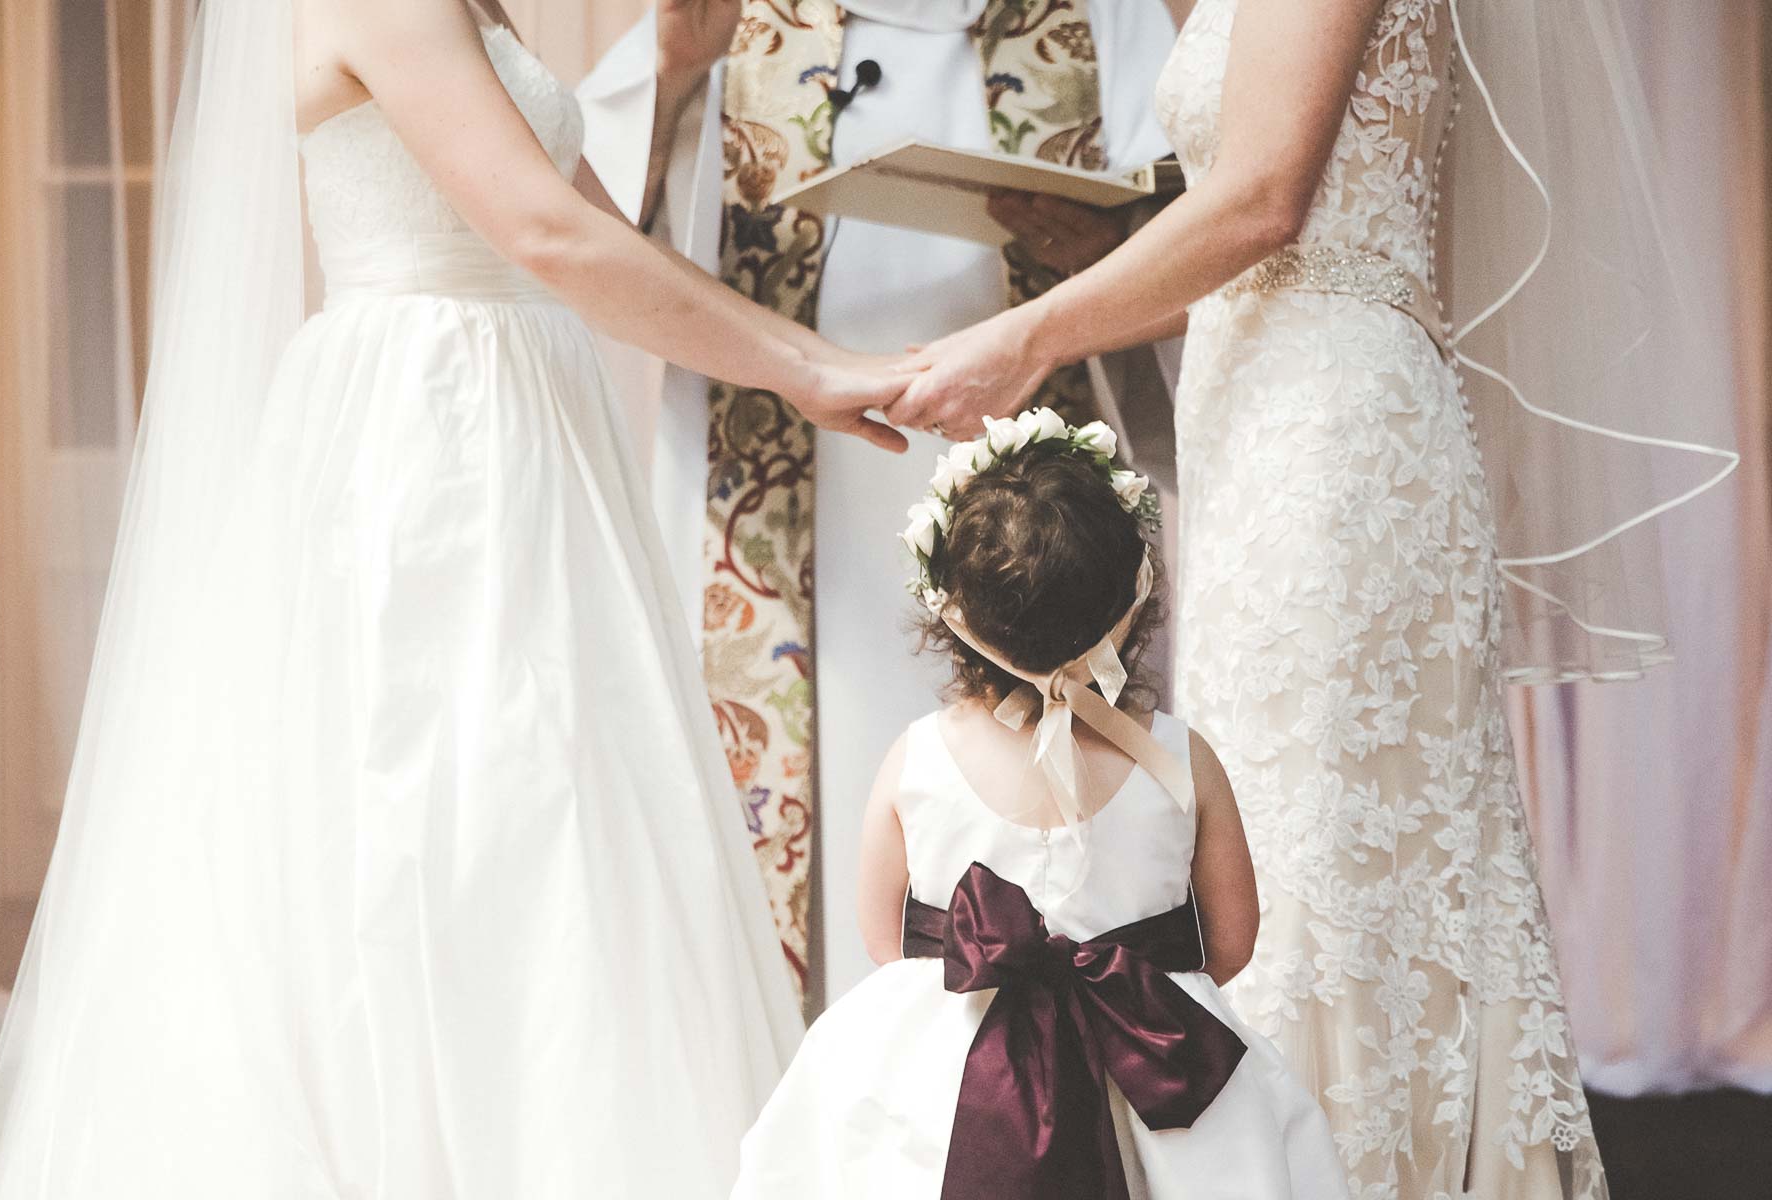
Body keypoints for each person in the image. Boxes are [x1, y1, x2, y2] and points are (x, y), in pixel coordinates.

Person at [0, 0, 908, 1194]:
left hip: (529, 424)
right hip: (429, 437)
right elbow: (547, 236)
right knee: (445, 810)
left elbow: (605, 233)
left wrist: (797, 353)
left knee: (565, 808)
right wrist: (812, 371)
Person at [878, 0, 1743, 1194]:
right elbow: (1260, 223)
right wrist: (1091, 258)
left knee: (1324, 852)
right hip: (1258, 413)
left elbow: (1266, 201)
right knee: (1272, 834)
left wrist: (1025, 336)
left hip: (1335, 431)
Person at [578, 0, 1183, 1006]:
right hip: (786, 487)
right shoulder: (736, 16)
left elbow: (1199, 230)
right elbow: (583, 221)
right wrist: (680, 61)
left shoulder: (1094, 14)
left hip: (1030, 491)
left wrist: (1104, 237)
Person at [733, 413, 1349, 1200]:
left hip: (952, 1066)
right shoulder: (1180, 757)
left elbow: (885, 939)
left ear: (949, 612)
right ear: (1137, 596)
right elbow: (1231, 940)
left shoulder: (916, 757)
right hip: (1155, 1060)